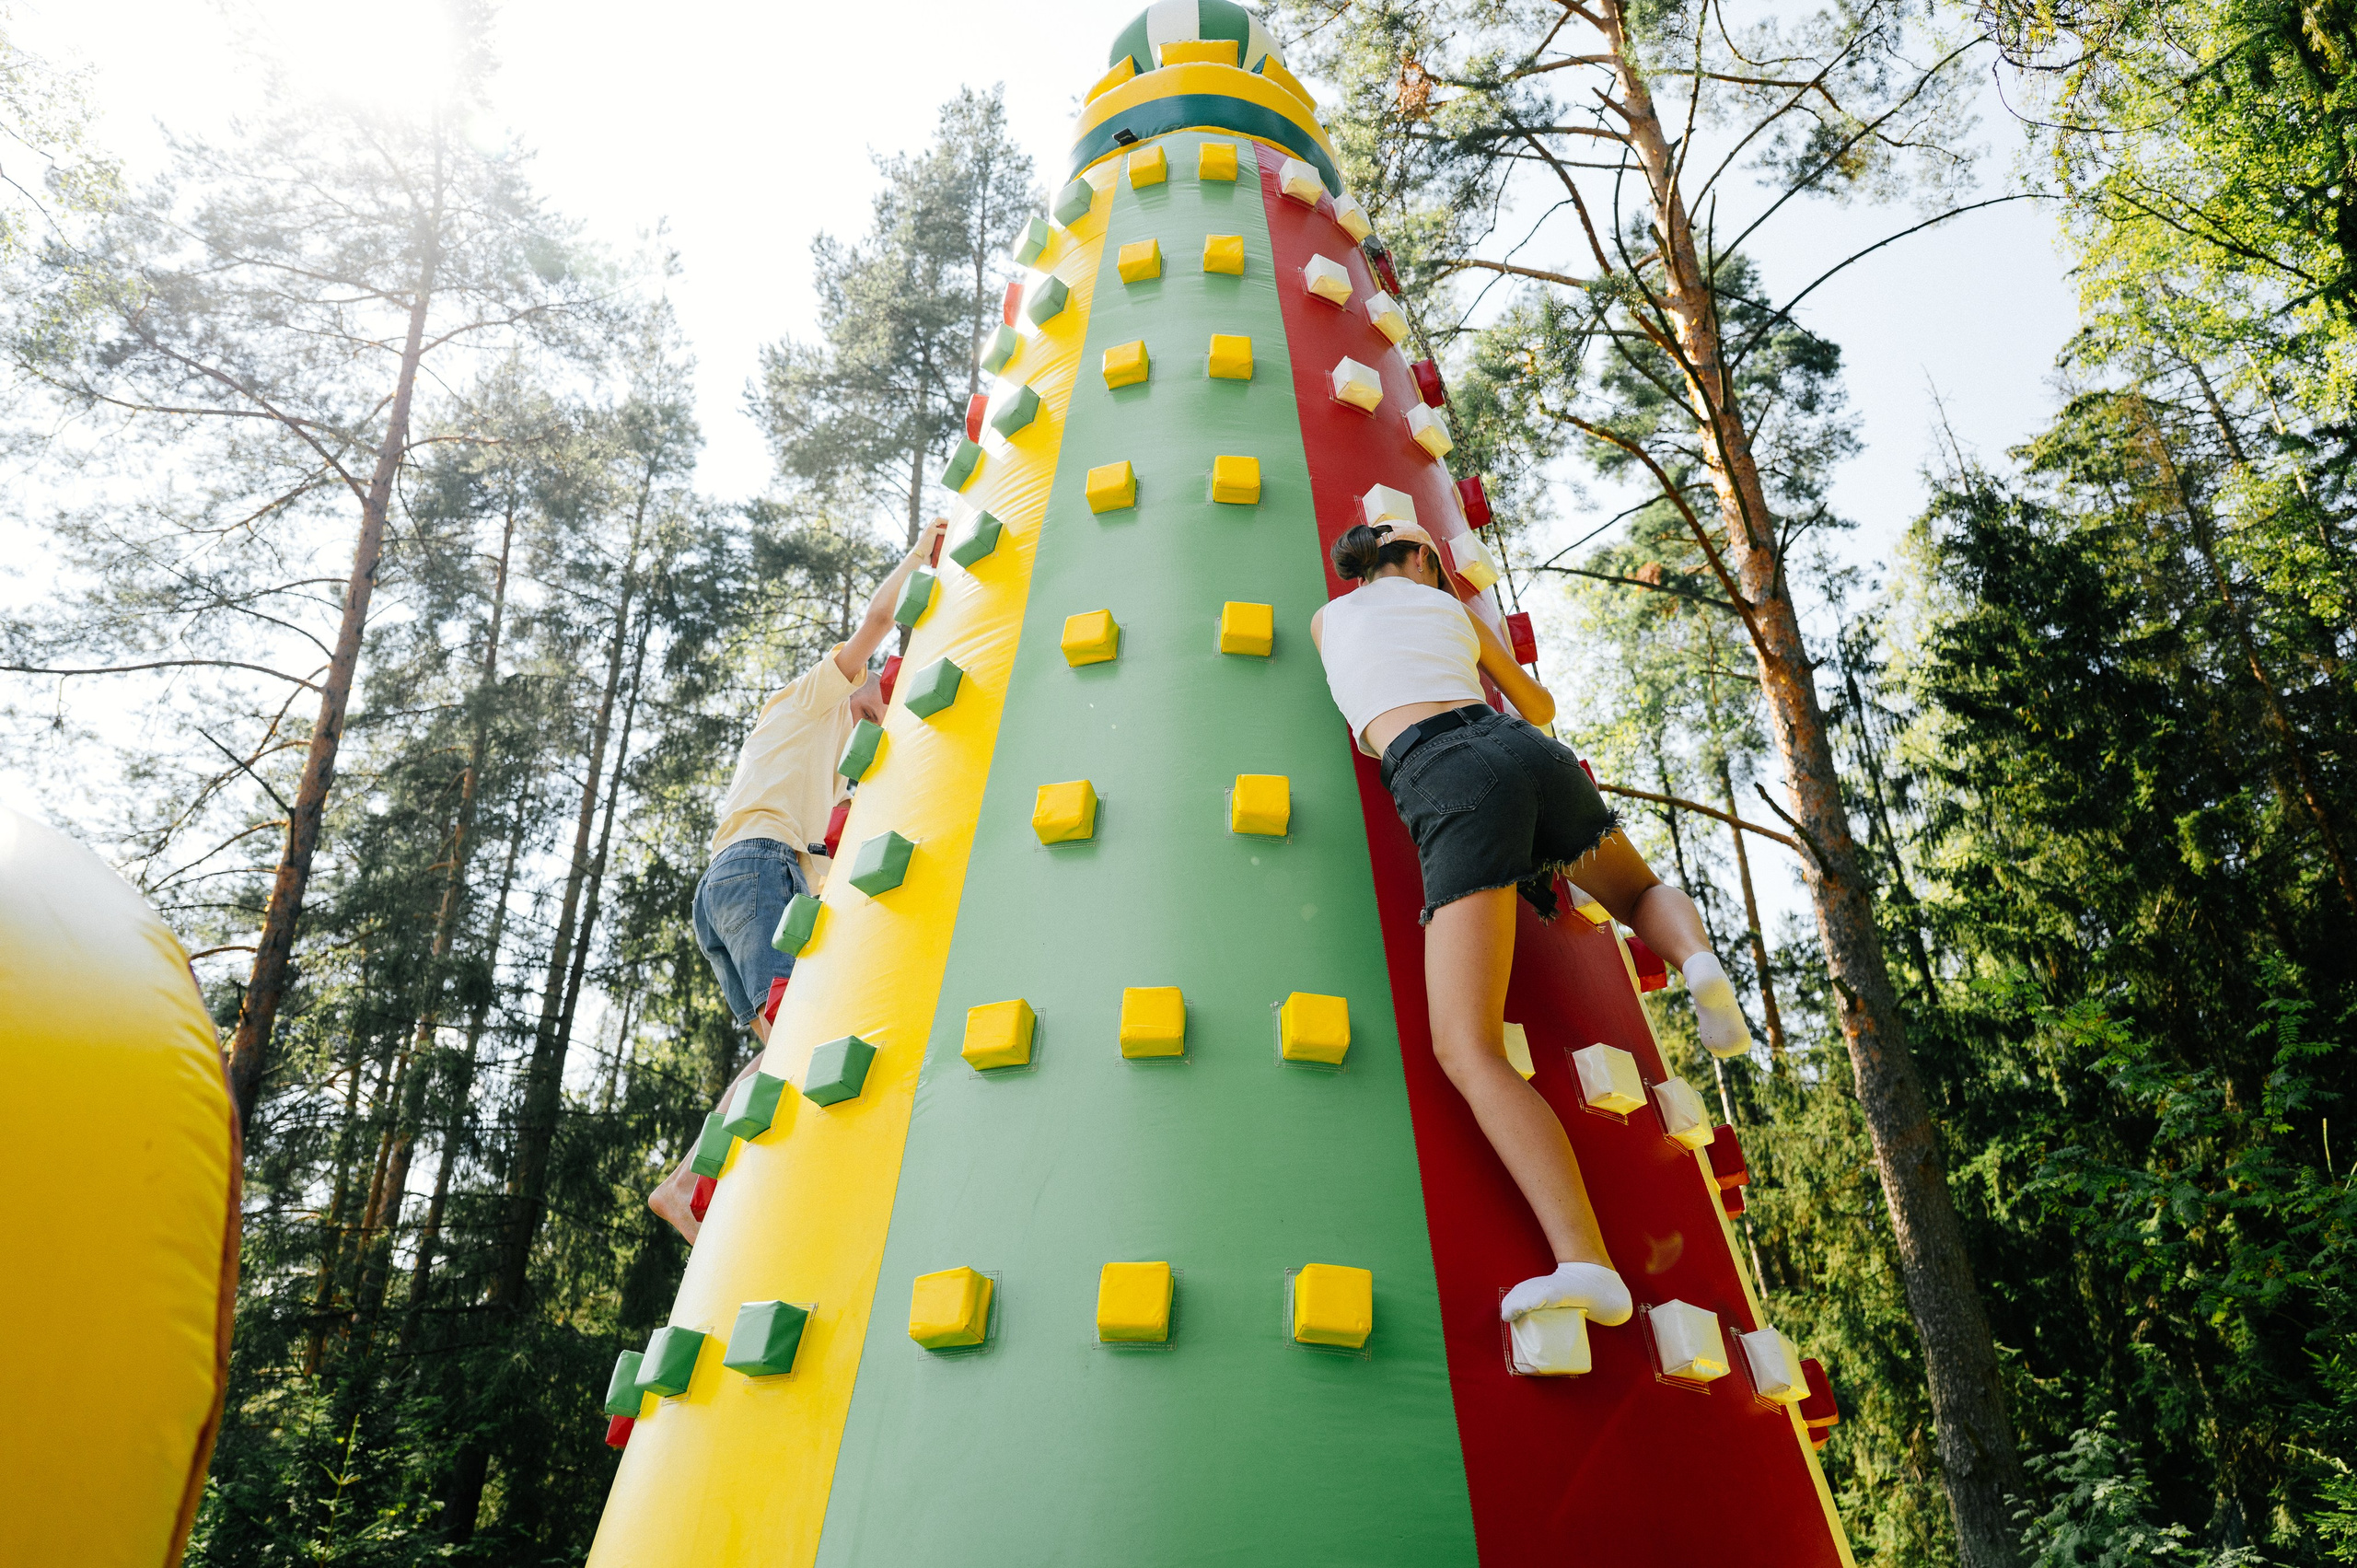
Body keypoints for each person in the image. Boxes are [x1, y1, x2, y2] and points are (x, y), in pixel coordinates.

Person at [1310, 519, 1754, 1330]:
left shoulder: (1329, 617)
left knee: (1469, 1048)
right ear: (1424, 559)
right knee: (1638, 890)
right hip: (1523, 748)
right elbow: (1538, 704)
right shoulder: (1451, 611)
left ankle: (1588, 1263)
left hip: (1442, 770)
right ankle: (1696, 962)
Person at [647, 517, 946, 1242]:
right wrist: (919, 554)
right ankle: (687, 1188)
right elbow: (877, 621)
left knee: (782, 1049)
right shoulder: (812, 700)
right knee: (797, 1033)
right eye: (879, 692)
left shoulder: (826, 772)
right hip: (756, 868)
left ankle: (690, 1184)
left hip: (730, 885)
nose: (882, 706)